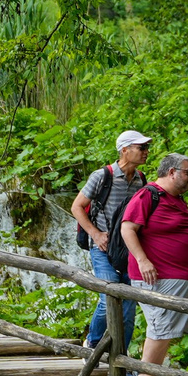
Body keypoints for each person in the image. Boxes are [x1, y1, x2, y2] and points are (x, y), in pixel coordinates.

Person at [120, 153, 188, 376]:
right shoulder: (148, 194)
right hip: (157, 277)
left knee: (167, 328)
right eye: (187, 172)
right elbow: (127, 228)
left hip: (177, 277)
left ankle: (151, 373)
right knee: (161, 326)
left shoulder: (176, 199)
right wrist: (143, 260)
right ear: (171, 172)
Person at [72, 131, 153, 358]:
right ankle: (94, 342)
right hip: (102, 247)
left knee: (128, 307)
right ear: (124, 150)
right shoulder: (102, 176)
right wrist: (95, 234)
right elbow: (77, 207)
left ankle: (120, 357)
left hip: (127, 250)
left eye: (147, 148)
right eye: (141, 147)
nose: (146, 152)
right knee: (108, 297)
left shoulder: (141, 180)